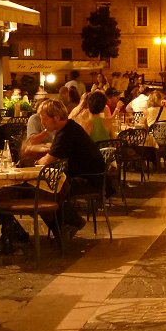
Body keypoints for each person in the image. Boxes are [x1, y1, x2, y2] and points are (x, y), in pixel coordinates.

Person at [35, 99, 106, 239]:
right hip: (91, 177)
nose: (42, 123)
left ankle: (71, 224)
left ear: (55, 118)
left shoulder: (66, 133)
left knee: (43, 192)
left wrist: (34, 161)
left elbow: (47, 162)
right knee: (46, 188)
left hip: (88, 181)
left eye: (44, 119)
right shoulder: (69, 128)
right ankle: (64, 228)